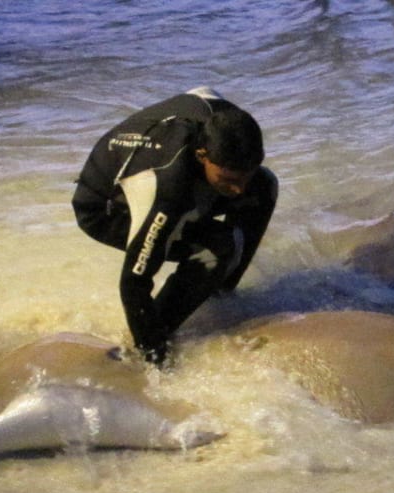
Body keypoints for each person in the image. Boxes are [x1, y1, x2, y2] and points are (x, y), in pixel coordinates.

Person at [72, 87, 278, 364]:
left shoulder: (226, 122)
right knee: (216, 248)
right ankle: (150, 344)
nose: (239, 189)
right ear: (203, 155)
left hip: (183, 176)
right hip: (107, 208)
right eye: (229, 179)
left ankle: (221, 295)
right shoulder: (164, 186)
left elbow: (198, 94)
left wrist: (233, 181)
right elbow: (134, 281)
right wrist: (155, 359)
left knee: (264, 187)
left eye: (244, 176)